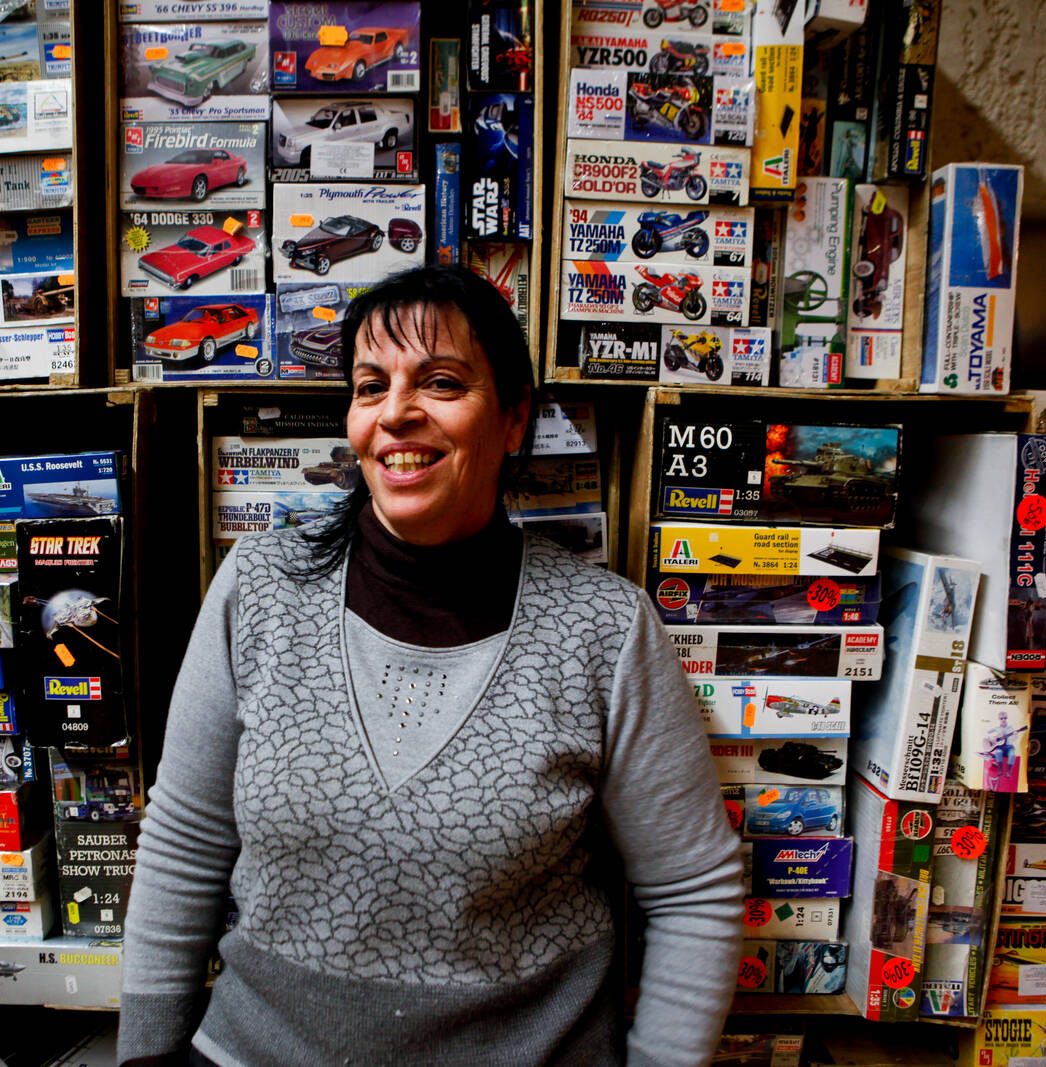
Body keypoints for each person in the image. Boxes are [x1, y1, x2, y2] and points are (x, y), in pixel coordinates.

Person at [120, 266, 742, 1066]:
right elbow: (184, 844)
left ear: (513, 418)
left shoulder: (605, 629)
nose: (396, 414)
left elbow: (693, 891)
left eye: (441, 382)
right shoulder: (259, 587)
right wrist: (146, 1056)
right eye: (370, 386)